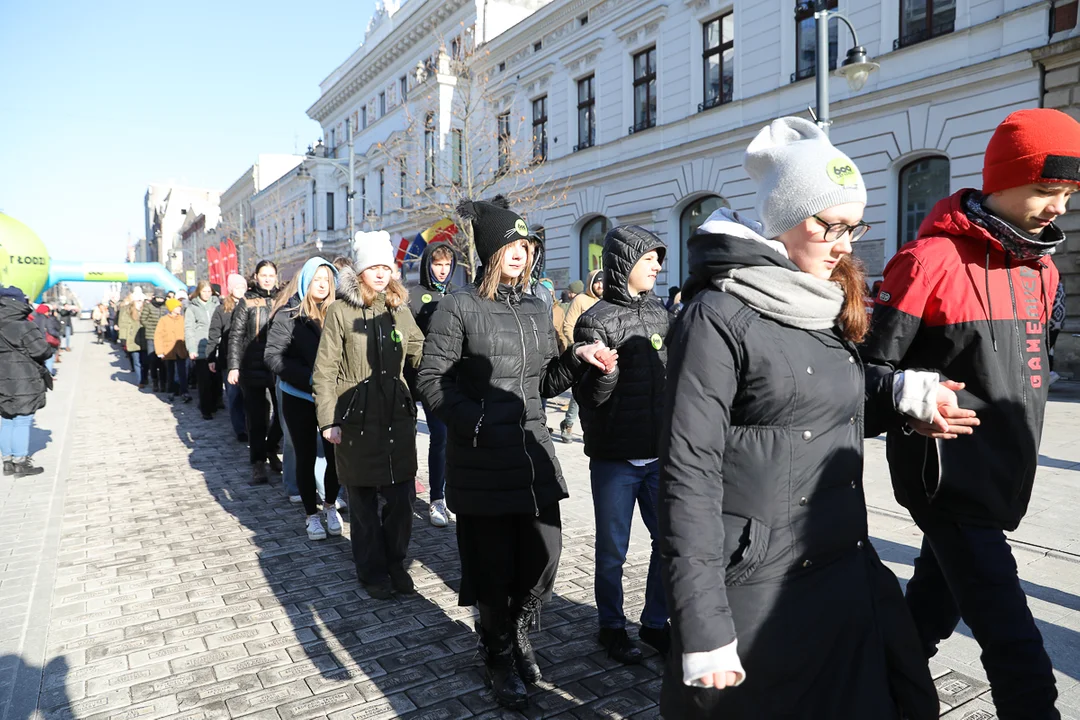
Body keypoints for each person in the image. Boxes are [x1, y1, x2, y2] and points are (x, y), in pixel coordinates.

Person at [658, 117, 961, 719]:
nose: (846, 243)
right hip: (759, 581)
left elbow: (816, 395)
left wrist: (898, 394)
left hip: (842, 562)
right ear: (783, 217)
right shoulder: (717, 315)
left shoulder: (817, 299)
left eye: (854, 226)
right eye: (832, 225)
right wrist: (704, 621)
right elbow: (688, 471)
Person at [862, 108, 1080, 720]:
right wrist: (912, 405)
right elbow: (867, 375)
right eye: (1046, 190)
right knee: (1019, 654)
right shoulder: (926, 260)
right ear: (1001, 179)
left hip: (1004, 476)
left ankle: (875, 689)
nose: (1058, 206)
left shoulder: (1044, 270)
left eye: (1066, 193)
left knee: (928, 609)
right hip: (947, 481)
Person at [416, 199, 616, 710]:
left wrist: (578, 360)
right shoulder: (457, 307)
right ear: (490, 251)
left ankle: (520, 628)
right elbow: (432, 381)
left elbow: (544, 381)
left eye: (526, 246)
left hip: (532, 456)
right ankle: (499, 651)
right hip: (482, 458)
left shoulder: (534, 308)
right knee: (491, 565)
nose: (520, 254)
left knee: (543, 556)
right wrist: (475, 420)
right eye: (511, 245)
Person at [573, 225, 671, 664]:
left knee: (669, 541)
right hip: (615, 458)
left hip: (659, 454)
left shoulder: (661, 313)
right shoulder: (595, 319)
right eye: (649, 258)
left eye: (658, 258)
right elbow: (587, 398)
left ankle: (654, 623)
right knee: (613, 550)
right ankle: (611, 627)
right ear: (623, 263)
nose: (657, 266)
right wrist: (605, 373)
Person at [314, 236, 424, 600]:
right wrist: (328, 420)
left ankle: (396, 562)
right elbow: (325, 369)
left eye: (385, 267)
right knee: (362, 503)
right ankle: (371, 570)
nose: (380, 273)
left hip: (397, 416)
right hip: (355, 420)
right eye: (373, 267)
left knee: (401, 499)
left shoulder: (399, 306)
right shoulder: (340, 312)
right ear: (360, 271)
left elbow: (417, 349)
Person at [267, 257, 343, 539]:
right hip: (298, 394)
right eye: (317, 279)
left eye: (327, 280)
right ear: (305, 282)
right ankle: (311, 515)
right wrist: (309, 377)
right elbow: (273, 357)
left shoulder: (339, 313)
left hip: (332, 396)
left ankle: (331, 505)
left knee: (336, 454)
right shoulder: (289, 314)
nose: (322, 285)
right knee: (305, 455)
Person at [407, 242, 458, 528]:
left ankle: (439, 496)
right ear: (428, 264)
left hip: (446, 379)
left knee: (443, 435)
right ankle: (411, 486)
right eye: (437, 264)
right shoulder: (413, 296)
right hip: (416, 376)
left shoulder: (454, 295)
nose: (442, 270)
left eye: (446, 265)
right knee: (411, 435)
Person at [228, 261, 283, 484]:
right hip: (252, 366)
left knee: (282, 415)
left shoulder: (283, 299)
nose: (268, 279)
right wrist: (233, 365)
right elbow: (236, 336)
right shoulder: (246, 301)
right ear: (256, 277)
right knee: (257, 417)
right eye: (264, 275)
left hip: (279, 365)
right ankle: (258, 462)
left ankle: (271, 448)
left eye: (271, 275)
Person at [0, 286, 52, 477]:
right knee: (22, 420)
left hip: (1, 379)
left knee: (6, 420)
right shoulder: (24, 325)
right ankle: (21, 463)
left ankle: (7, 463)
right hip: (24, 379)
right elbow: (41, 351)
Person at [558, 269, 603, 443]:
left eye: (603, 281)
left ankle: (595, 429)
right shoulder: (580, 300)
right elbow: (568, 325)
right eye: (597, 281)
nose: (601, 285)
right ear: (591, 282)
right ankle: (568, 424)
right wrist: (577, 347)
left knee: (599, 393)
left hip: (601, 356)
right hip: (583, 354)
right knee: (580, 394)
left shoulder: (607, 301)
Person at [209, 274, 248, 442]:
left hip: (248, 359)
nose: (241, 290)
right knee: (234, 396)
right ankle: (240, 429)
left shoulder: (251, 305)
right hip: (228, 359)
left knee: (249, 397)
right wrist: (211, 356)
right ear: (231, 289)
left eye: (243, 287)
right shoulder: (222, 309)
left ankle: (251, 426)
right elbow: (214, 334)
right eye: (237, 287)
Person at [185, 281, 220, 420]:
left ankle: (215, 402)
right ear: (199, 292)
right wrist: (191, 348)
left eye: (209, 291)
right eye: (204, 291)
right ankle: (206, 409)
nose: (207, 294)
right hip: (201, 349)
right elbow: (189, 329)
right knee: (204, 381)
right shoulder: (192, 308)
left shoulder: (217, 305)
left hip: (216, 347)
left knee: (216, 380)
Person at [154, 299, 190, 403]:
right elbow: (158, 336)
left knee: (182, 372)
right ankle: (170, 391)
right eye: (177, 307)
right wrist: (160, 351)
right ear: (171, 308)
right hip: (168, 350)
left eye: (179, 306)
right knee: (170, 372)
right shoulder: (163, 320)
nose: (179, 308)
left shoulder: (183, 319)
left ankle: (184, 391)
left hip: (181, 350)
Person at [140, 293, 168, 392]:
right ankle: (155, 381)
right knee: (152, 360)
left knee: (163, 360)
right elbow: (143, 319)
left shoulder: (166, 306)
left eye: (162, 298)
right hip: (151, 336)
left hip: (163, 337)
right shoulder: (148, 306)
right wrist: (151, 327)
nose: (160, 300)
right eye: (158, 297)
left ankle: (163, 382)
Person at [118, 289, 146, 382]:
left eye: (141, 300)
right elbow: (123, 324)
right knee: (137, 361)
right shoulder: (126, 310)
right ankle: (140, 381)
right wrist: (123, 339)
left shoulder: (146, 309)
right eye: (138, 301)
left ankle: (144, 378)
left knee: (145, 362)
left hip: (145, 338)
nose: (140, 303)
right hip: (132, 339)